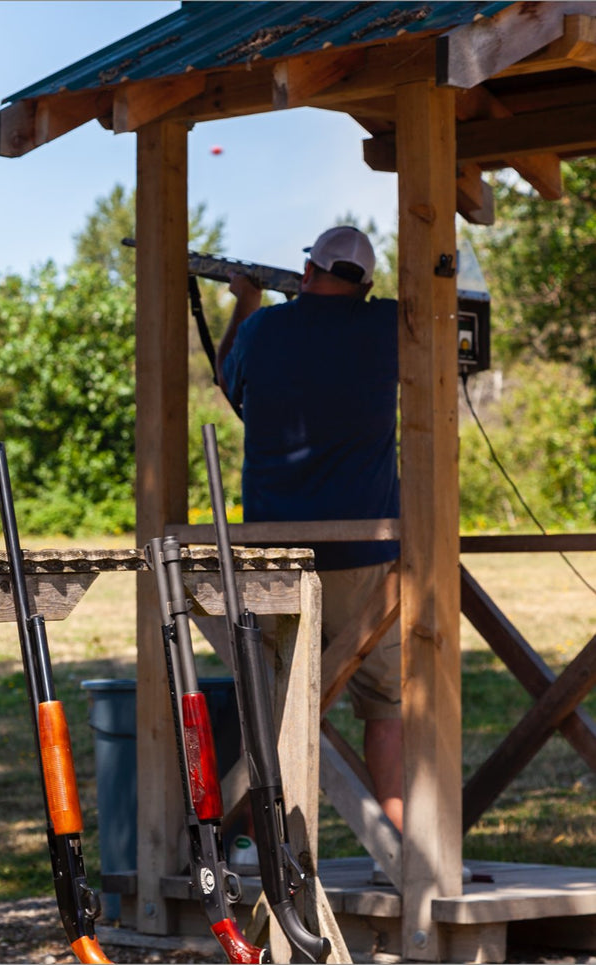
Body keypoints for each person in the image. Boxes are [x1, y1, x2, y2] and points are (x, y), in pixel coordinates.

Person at [216, 224, 404, 832]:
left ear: (307, 273)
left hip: (275, 555)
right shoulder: (387, 324)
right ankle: (397, 844)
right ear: (366, 285)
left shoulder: (263, 328)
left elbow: (228, 380)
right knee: (387, 705)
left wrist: (246, 301)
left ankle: (268, 843)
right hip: (367, 554)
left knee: (279, 700)